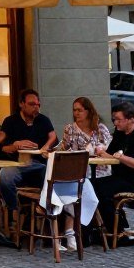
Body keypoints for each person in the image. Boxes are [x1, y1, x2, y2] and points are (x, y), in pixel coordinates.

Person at [91, 102, 134, 246]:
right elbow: (110, 155)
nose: (115, 123)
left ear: (130, 119)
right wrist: (101, 154)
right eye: (113, 120)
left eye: (118, 119)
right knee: (91, 186)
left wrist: (119, 157)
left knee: (101, 190)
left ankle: (119, 233)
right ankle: (108, 229)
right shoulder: (119, 134)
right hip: (122, 177)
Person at [57, 97, 112, 251]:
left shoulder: (100, 129)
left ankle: (81, 232)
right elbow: (65, 149)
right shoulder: (70, 129)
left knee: (89, 189)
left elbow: (109, 149)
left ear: (89, 111)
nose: (76, 113)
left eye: (80, 110)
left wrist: (100, 151)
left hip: (101, 172)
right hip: (78, 171)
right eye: (74, 110)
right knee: (75, 189)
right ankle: (75, 232)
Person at [0, 89, 56, 216]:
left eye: (38, 104)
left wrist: (45, 147)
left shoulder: (43, 120)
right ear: (21, 104)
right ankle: (14, 210)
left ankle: (46, 211)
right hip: (17, 163)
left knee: (53, 175)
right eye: (32, 104)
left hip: (39, 164)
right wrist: (15, 145)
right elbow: (1, 146)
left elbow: (53, 136)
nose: (36, 107)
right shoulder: (10, 121)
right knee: (4, 178)